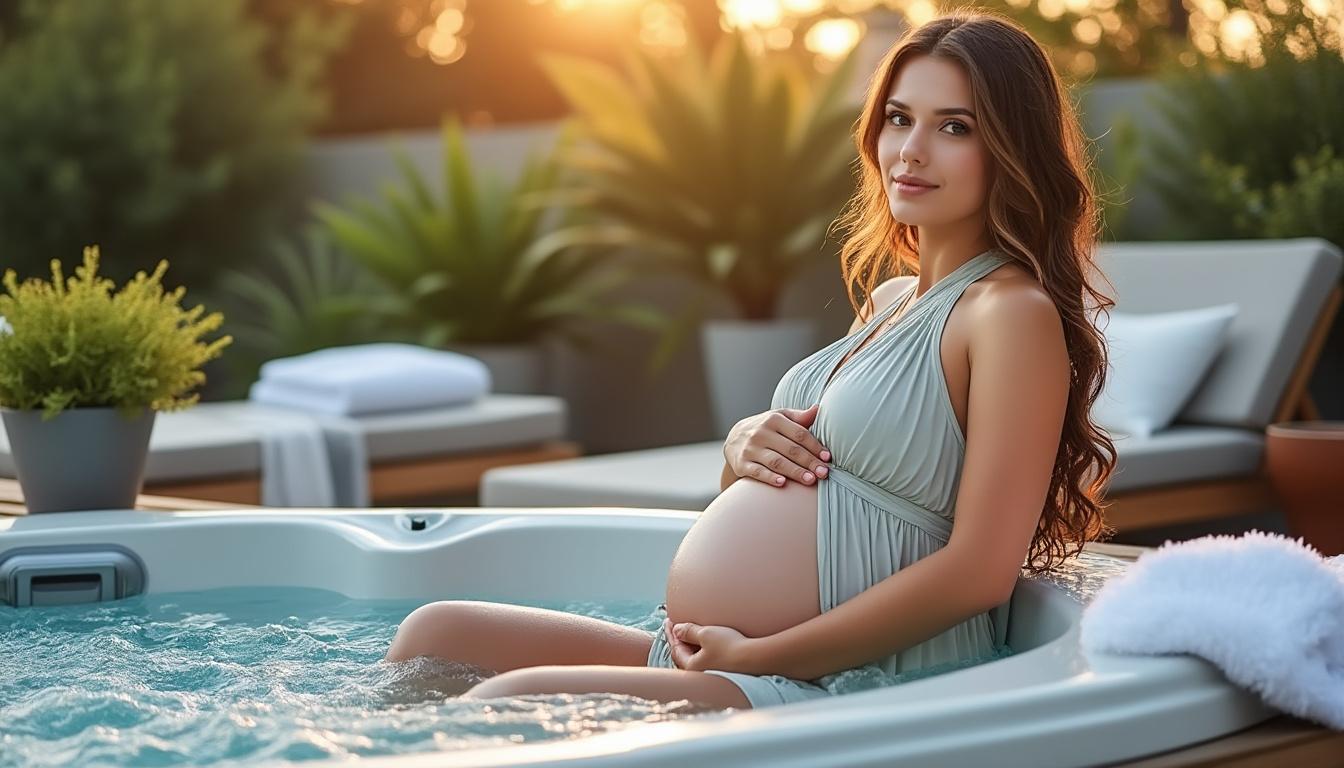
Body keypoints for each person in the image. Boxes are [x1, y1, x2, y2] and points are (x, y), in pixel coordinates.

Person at [384, 10, 1118, 711]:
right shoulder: (892, 300)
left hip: (844, 677)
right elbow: (813, 485)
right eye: (899, 118)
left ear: (1011, 149)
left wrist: (765, 657)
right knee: (436, 633)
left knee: (504, 701)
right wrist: (742, 447)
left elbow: (978, 576)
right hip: (729, 655)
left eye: (954, 127)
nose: (910, 150)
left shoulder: (1009, 314)